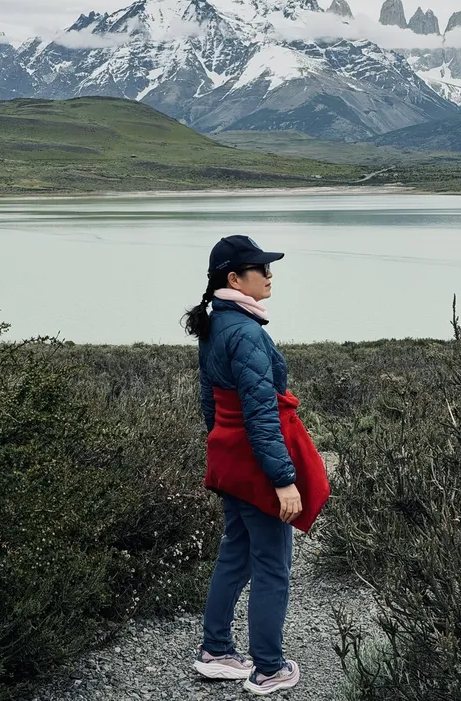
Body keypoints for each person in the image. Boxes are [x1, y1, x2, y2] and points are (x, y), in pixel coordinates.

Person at [182, 234, 314, 696]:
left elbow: (210, 402)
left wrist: (223, 443)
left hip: (231, 458)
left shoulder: (218, 323)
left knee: (235, 553)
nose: (270, 275)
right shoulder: (247, 333)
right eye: (262, 269)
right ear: (235, 278)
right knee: (273, 564)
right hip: (256, 464)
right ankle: (269, 668)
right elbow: (261, 414)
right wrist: (283, 480)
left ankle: (215, 651)